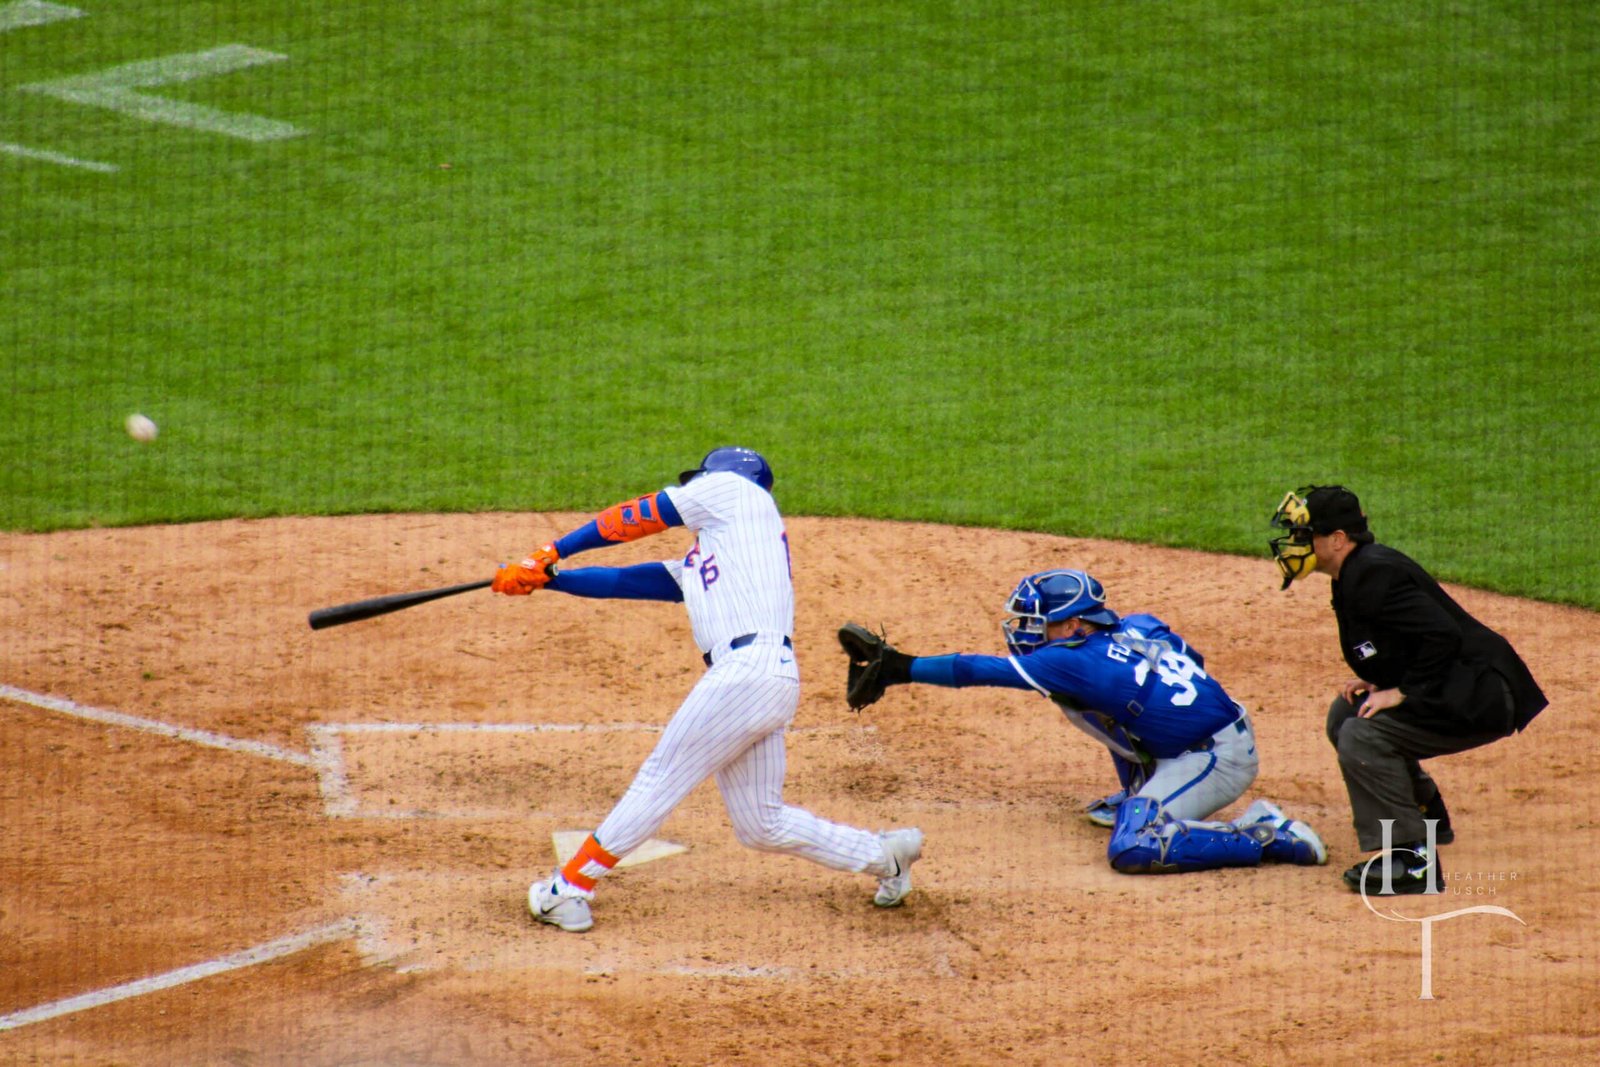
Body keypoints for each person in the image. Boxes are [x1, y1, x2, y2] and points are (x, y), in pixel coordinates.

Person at [491, 446, 923, 932]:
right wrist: (549, 580)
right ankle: (884, 856)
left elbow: (644, 512)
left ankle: (568, 888)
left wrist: (551, 550)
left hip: (746, 673)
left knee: (660, 778)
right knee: (761, 824)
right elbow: (630, 581)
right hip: (766, 679)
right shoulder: (724, 552)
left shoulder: (736, 490)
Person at [841, 569, 1327, 874]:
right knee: (1097, 703)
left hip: (1215, 759)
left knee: (1135, 846)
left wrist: (900, 667)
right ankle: (1145, 788)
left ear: (1075, 624)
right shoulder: (1139, 624)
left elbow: (976, 670)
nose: (1028, 631)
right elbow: (1191, 662)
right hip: (1212, 732)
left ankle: (1266, 834)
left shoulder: (1071, 660)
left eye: (1041, 623)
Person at [1270, 485, 1547, 894]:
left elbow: (1442, 635)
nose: (1295, 544)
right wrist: (1382, 677)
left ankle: (1413, 861)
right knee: (1346, 714)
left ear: (1338, 539)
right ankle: (1427, 814)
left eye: (1305, 535)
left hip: (1483, 695)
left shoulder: (1372, 575)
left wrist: (1404, 691)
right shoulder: (1355, 572)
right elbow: (1406, 638)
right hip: (1462, 685)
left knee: (1361, 735)